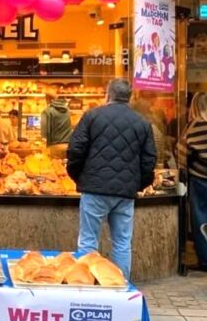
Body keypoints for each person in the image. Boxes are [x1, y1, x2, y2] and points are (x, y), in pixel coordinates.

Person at [67, 78, 156, 279]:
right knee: (122, 242)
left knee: (88, 240)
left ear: (108, 94)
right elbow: (149, 159)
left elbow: (75, 150)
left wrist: (78, 177)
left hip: (94, 190)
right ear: (130, 97)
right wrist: (138, 184)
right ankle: (121, 285)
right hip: (125, 193)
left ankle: (86, 283)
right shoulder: (142, 123)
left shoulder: (92, 116)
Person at [180, 92, 207, 271]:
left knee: (200, 220)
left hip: (200, 180)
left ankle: (205, 259)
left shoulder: (196, 125)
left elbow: (183, 152)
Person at [40, 91, 72, 155]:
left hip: (54, 146)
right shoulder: (67, 110)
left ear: (47, 99)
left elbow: (44, 133)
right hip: (68, 145)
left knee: (55, 164)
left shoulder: (47, 111)